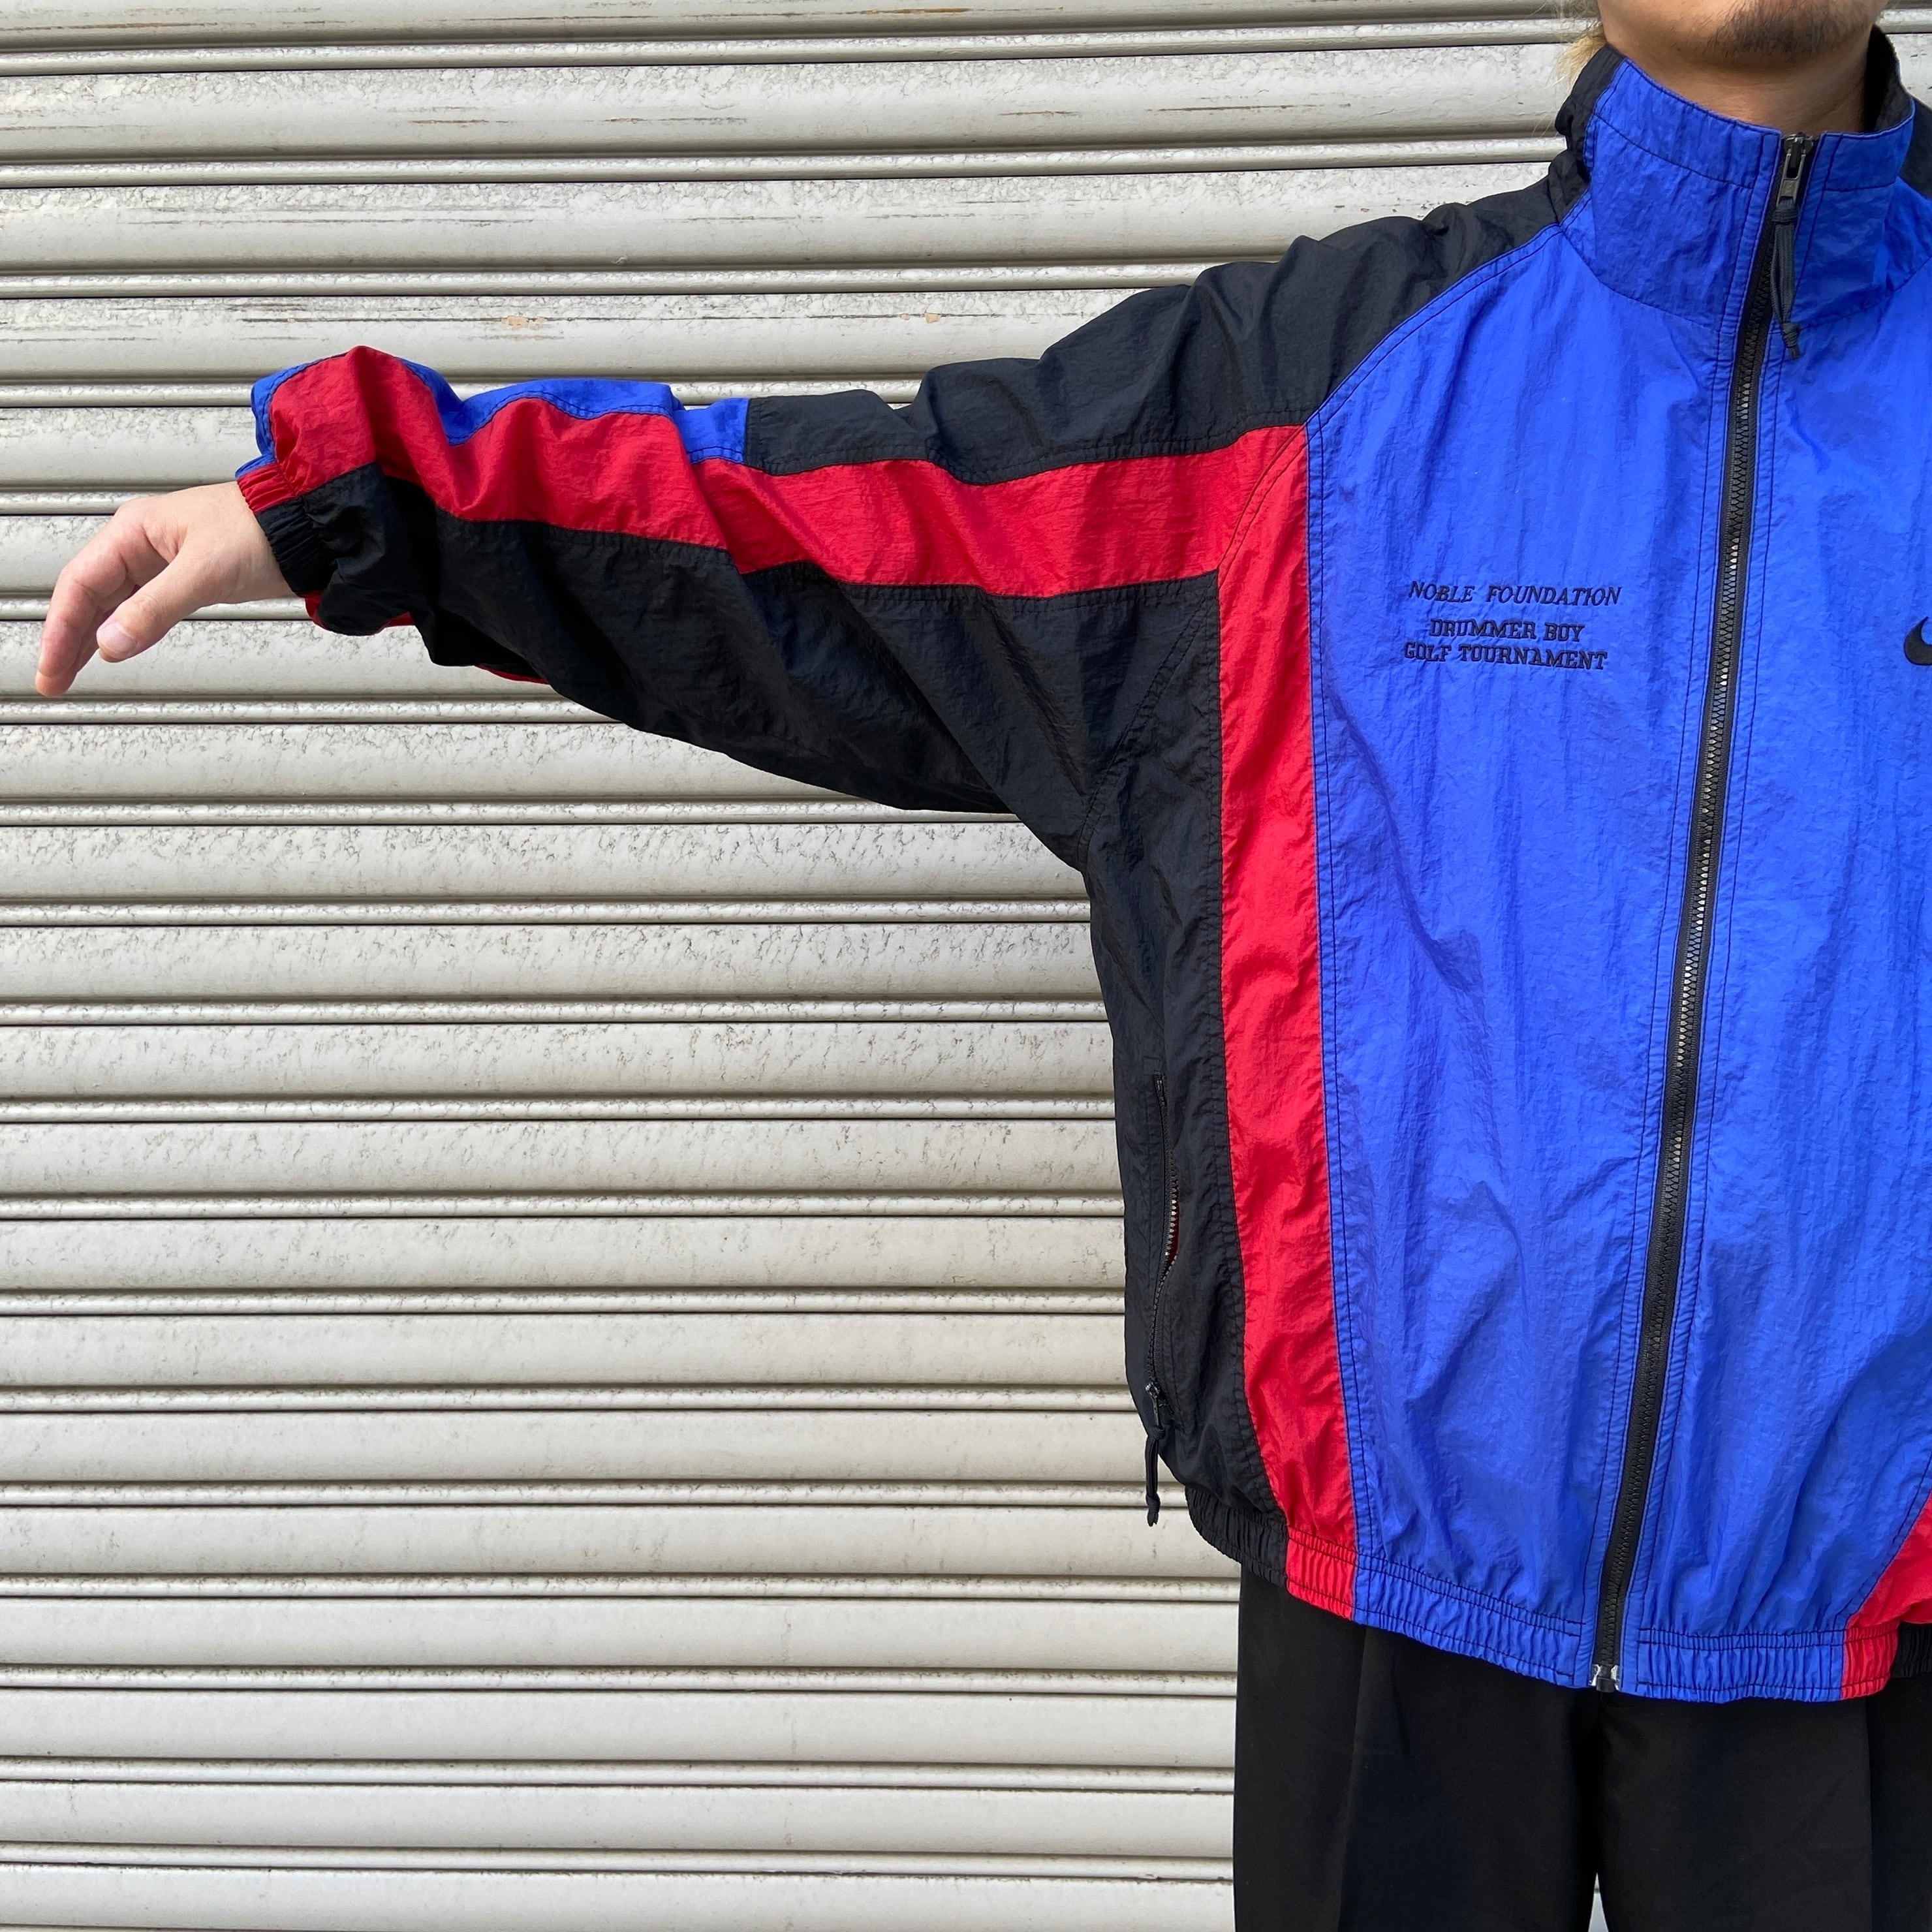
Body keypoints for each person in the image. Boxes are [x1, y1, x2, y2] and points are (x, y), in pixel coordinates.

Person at [32, 0, 1932, 1924]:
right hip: (1387, 1595)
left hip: (1870, 1614)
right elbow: (843, 525)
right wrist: (393, 499)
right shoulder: (1306, 401)